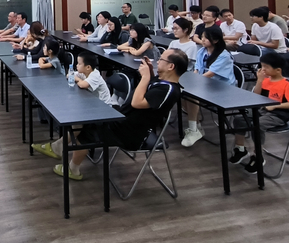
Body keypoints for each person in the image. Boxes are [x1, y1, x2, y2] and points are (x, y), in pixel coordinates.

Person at [49, 49, 186, 180]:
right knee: (84, 118)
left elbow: (137, 103)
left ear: (171, 66)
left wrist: (145, 77)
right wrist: (149, 73)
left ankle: (72, 169)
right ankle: (58, 147)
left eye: (161, 59)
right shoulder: (161, 80)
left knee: (86, 130)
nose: (157, 61)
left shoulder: (169, 89)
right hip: (121, 119)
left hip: (130, 133)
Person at [31, 52, 111, 166]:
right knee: (76, 122)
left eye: (79, 64)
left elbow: (82, 85)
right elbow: (69, 75)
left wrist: (76, 79)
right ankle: (57, 147)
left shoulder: (95, 75)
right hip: (92, 105)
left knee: (77, 122)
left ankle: (57, 147)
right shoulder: (84, 73)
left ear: (88, 67)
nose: (76, 66)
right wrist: (76, 77)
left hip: (104, 111)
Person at [229, 53, 289, 173]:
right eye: (262, 66)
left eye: (266, 67)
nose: (263, 69)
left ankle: (258, 156)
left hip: (279, 114)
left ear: (278, 70)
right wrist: (259, 81)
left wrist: (276, 106)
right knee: (239, 118)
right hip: (262, 110)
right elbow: (256, 96)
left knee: (258, 125)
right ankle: (240, 149)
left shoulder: (287, 85)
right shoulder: (265, 81)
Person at [182, 25, 236, 147]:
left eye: (206, 38)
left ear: (215, 40)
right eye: (202, 37)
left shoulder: (224, 55)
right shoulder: (202, 51)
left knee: (192, 95)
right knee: (183, 93)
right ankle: (197, 127)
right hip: (206, 84)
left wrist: (194, 82)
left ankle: (194, 129)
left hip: (222, 88)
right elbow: (197, 69)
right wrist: (192, 80)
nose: (202, 40)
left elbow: (210, 74)